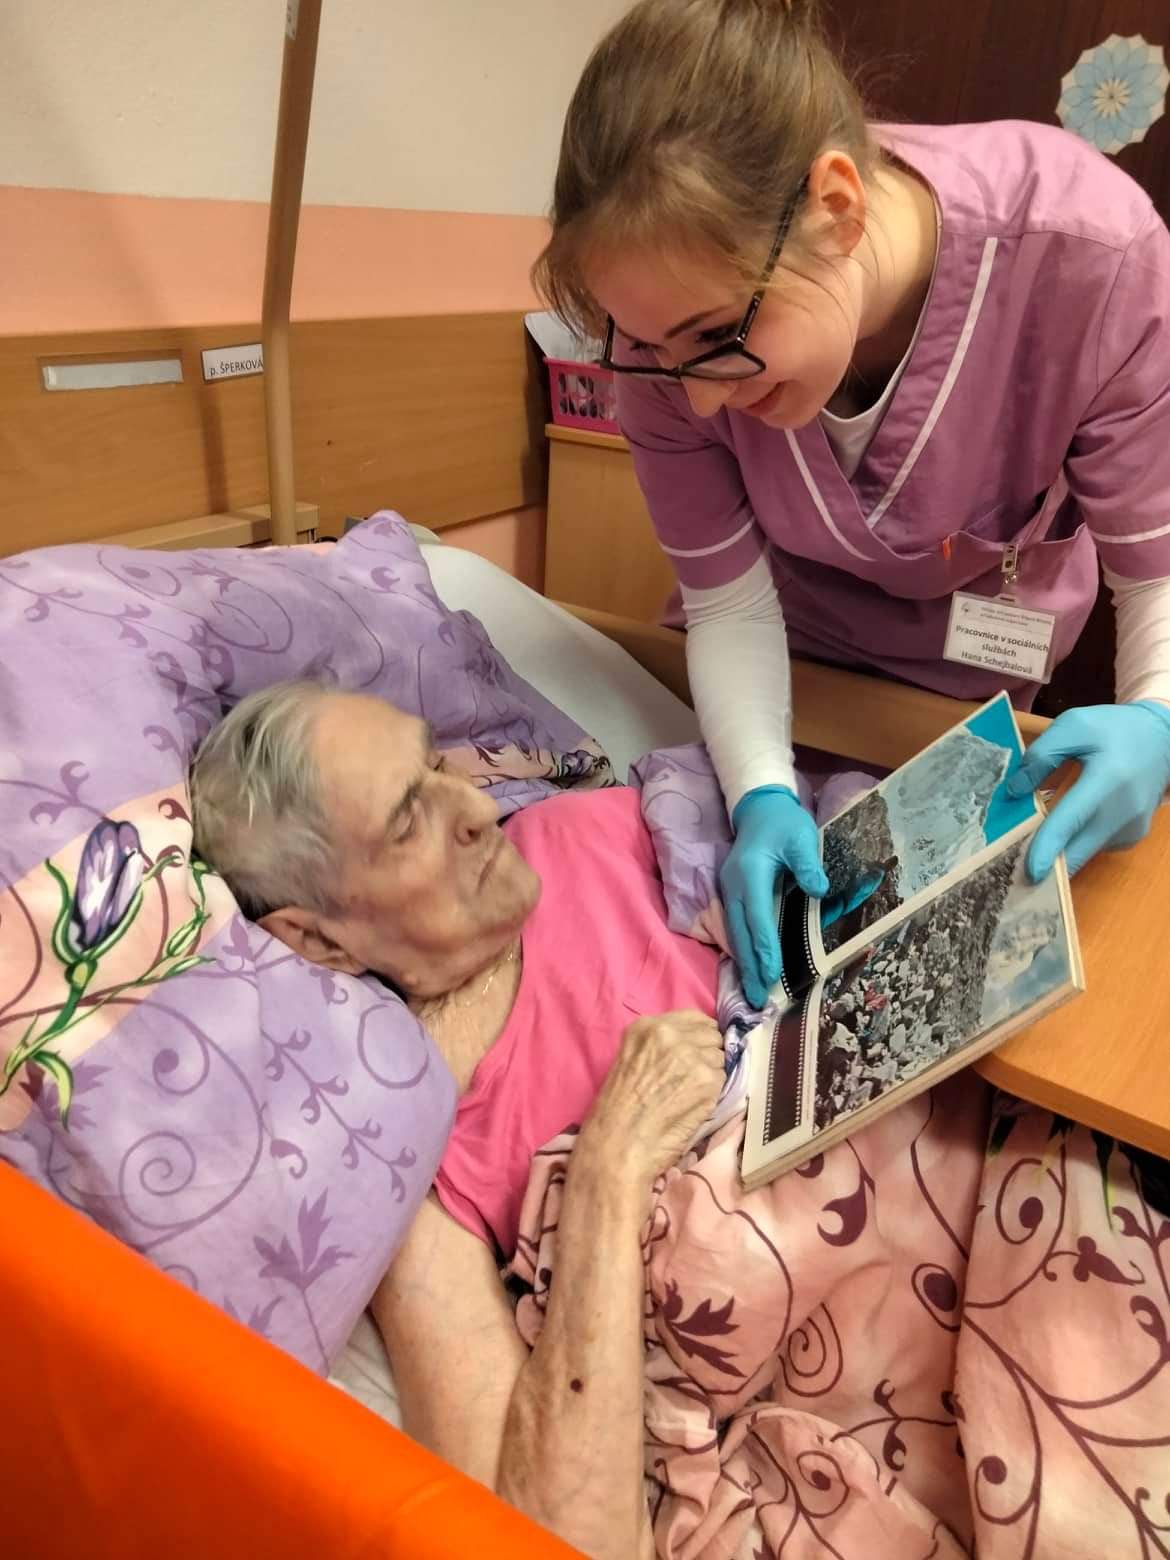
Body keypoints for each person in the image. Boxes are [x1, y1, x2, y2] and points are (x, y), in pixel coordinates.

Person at [190, 680, 1170, 1560]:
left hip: (1022, 1108)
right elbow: (551, 1534)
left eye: (437, 764)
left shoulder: (592, 826)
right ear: (317, 938)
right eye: (411, 818)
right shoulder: (413, 1148)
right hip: (888, 1300)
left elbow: (845, 880)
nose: (478, 808)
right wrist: (611, 1169)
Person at [532, 0, 1170, 1008]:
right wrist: (758, 789)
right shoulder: (660, 350)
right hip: (768, 663)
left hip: (959, 681)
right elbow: (729, 601)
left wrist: (1158, 714)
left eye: (716, 338)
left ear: (836, 207)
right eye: (653, 349)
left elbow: (1157, 567)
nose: (700, 399)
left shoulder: (1089, 255)